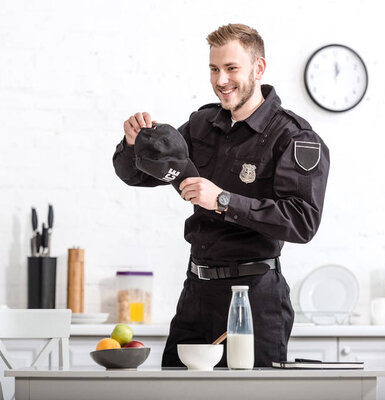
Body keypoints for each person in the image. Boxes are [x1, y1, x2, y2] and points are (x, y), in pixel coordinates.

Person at [112, 23, 330, 367]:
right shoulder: (201, 125)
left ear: (258, 69)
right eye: (214, 69)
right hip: (197, 293)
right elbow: (137, 176)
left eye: (231, 68)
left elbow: (302, 222)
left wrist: (224, 200)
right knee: (173, 391)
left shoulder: (293, 136)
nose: (221, 80)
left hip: (255, 299)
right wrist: (131, 144)